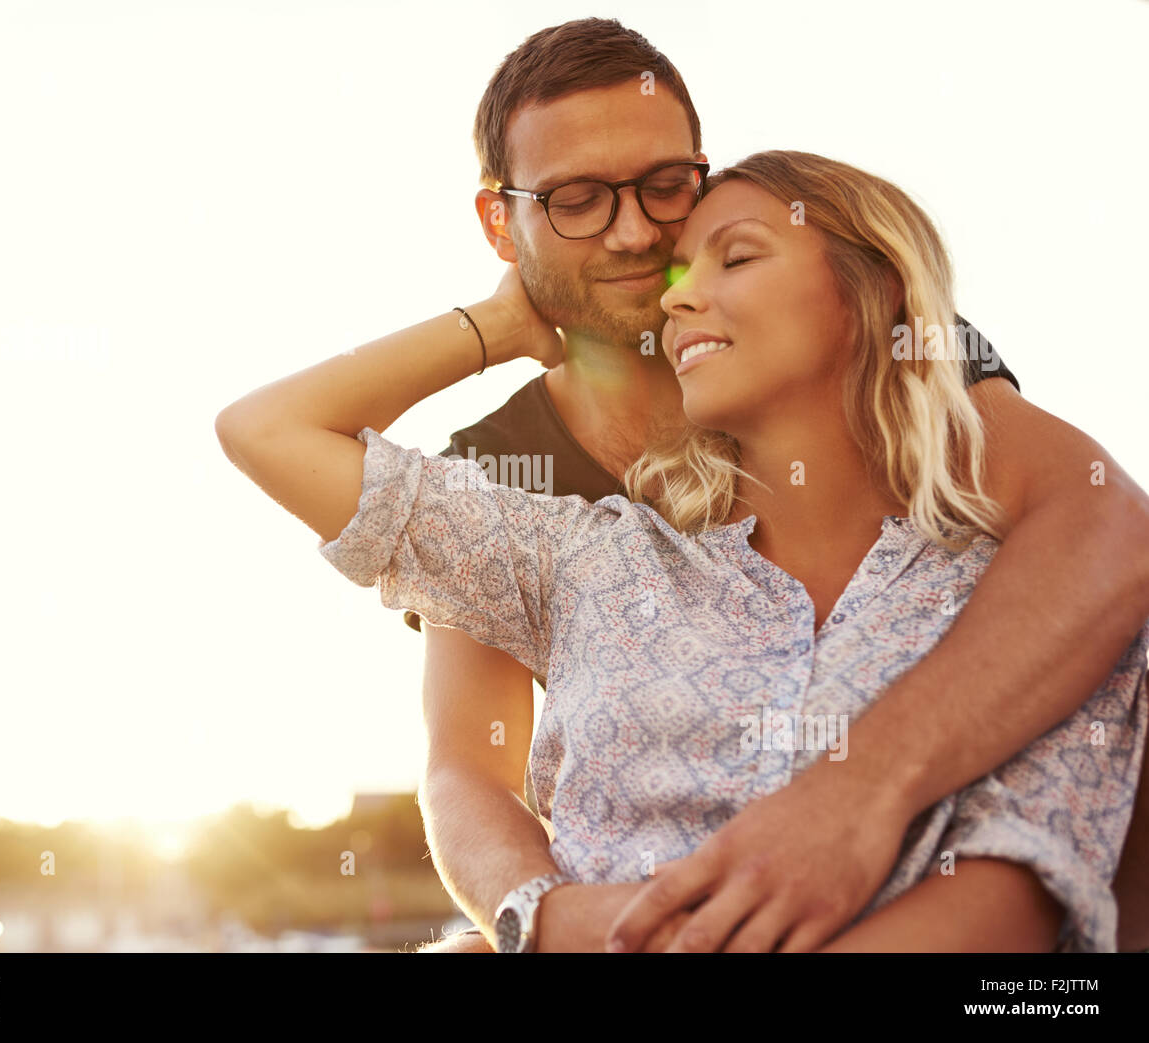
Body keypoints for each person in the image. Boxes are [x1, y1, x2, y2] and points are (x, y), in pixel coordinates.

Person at [214, 147, 1147, 952]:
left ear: (875, 295)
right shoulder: (588, 557)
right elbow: (269, 429)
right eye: (679, 276)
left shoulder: (1028, 596)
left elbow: (1013, 907)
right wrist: (502, 325)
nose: (679, 293)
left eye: (735, 257)